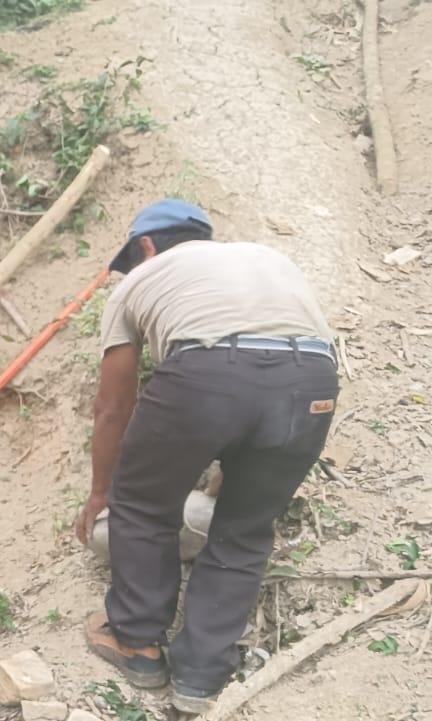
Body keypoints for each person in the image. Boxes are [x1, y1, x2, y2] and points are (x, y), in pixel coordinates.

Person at [72, 199, 339, 714]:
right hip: (313, 383)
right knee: (244, 530)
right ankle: (201, 676)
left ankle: (138, 643)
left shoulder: (138, 280)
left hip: (208, 373)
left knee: (144, 505)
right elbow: (274, 368)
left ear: (145, 247)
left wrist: (103, 492)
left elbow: (113, 406)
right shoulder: (267, 259)